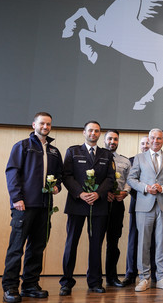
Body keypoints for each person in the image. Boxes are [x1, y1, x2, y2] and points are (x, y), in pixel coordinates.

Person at [2, 112, 63, 303]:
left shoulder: (54, 151)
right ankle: (10, 287)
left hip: (45, 207)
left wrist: (57, 186)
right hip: (24, 206)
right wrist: (16, 198)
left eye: (48, 124)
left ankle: (30, 285)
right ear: (34, 124)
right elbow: (12, 172)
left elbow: (59, 176)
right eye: (42, 123)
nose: (45, 127)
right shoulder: (23, 146)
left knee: (37, 247)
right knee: (16, 248)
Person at [60, 121, 115, 295]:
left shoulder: (106, 154)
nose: (93, 133)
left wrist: (98, 193)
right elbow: (66, 176)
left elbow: (110, 178)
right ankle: (66, 282)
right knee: (71, 243)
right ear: (84, 132)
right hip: (77, 204)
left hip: (98, 205)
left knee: (96, 245)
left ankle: (95, 282)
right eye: (90, 130)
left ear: (100, 134)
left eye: (97, 131)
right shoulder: (73, 151)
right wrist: (80, 193)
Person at [127, 128, 163, 292]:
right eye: (152, 138)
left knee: (161, 242)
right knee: (143, 243)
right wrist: (145, 188)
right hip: (144, 205)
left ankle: (162, 277)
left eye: (159, 138)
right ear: (148, 140)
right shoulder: (139, 158)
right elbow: (131, 179)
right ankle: (144, 278)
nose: (155, 141)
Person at [122, 136, 156, 287]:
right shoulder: (133, 160)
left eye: (148, 143)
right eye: (143, 143)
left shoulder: (158, 160)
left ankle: (154, 274)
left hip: (155, 205)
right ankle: (130, 274)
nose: (145, 146)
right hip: (137, 205)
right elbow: (129, 182)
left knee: (154, 240)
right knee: (134, 241)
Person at [103, 130, 132, 287]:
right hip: (100, 204)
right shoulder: (97, 158)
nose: (112, 141)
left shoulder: (125, 161)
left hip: (117, 204)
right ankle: (93, 279)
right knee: (96, 242)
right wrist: (103, 193)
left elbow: (130, 179)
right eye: (109, 138)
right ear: (104, 140)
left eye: (115, 139)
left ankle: (112, 277)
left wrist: (125, 192)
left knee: (113, 243)